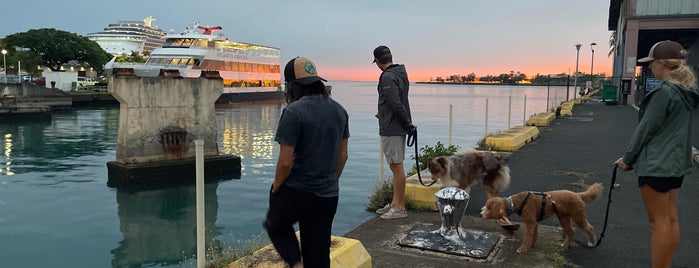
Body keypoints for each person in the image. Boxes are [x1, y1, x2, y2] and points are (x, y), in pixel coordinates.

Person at [614, 40, 698, 268]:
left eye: (651, 63)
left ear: (662, 63)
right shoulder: (686, 93)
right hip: (675, 165)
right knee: (670, 220)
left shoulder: (663, 93)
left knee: (658, 222)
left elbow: (645, 130)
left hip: (657, 164)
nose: (650, 67)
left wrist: (628, 160)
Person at [263, 57, 350, 268]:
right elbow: (343, 156)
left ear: (292, 85)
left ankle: (296, 264)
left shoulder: (293, 112)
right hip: (329, 195)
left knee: (275, 224)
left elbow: (285, 163)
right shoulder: (340, 111)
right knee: (318, 255)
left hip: (299, 192)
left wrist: (276, 188)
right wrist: (329, 180)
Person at [372, 45, 415, 220]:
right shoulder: (399, 73)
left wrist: (407, 123)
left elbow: (395, 103)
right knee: (395, 165)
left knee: (396, 166)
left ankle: (399, 207)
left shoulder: (387, 76)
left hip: (393, 127)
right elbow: (395, 101)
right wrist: (382, 113)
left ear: (377, 61)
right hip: (394, 124)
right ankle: (394, 203)